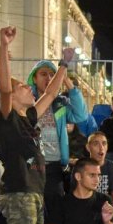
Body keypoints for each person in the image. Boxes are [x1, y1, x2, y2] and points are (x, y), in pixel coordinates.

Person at [0, 25, 73, 224]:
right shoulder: (7, 119)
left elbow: (51, 93)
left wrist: (64, 64)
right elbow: (5, 87)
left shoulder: (27, 118)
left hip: (34, 194)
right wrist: (4, 47)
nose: (29, 88)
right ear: (11, 98)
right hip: (19, 194)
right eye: (23, 88)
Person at [26, 57, 88, 204]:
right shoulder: (27, 101)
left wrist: (65, 80)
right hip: (31, 165)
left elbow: (80, 115)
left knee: (56, 208)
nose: (49, 78)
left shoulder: (60, 103)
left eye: (52, 75)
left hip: (55, 164)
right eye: (43, 74)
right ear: (34, 79)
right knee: (33, 208)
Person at [70, 131, 113, 207]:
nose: (101, 148)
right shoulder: (80, 167)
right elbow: (74, 195)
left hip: (104, 208)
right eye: (96, 144)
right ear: (88, 147)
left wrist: (111, 212)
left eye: (104, 143)